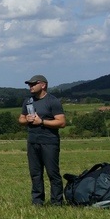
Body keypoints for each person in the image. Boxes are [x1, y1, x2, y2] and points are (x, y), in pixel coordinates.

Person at [18, 75, 66, 206]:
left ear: (43, 85)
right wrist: (26, 120)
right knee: (35, 173)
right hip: (32, 141)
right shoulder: (28, 101)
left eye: (33, 84)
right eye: (29, 84)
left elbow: (61, 122)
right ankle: (37, 202)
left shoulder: (52, 101)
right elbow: (20, 119)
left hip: (49, 142)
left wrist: (42, 122)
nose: (30, 86)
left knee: (52, 173)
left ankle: (57, 202)